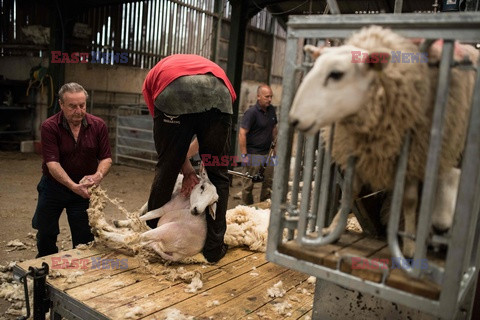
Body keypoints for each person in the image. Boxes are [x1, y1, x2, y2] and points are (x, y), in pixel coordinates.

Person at [142, 54, 236, 263]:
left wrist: (184, 169)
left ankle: (150, 238)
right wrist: (202, 163)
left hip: (173, 89)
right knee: (219, 175)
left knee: (166, 169)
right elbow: (211, 131)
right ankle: (214, 249)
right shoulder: (213, 72)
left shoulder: (153, 80)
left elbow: (170, 151)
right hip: (220, 92)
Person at [32, 82, 112, 258]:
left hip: (83, 190)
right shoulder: (49, 127)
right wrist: (71, 185)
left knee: (84, 236)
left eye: (82, 105)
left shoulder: (98, 125)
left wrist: (97, 175)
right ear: (61, 104)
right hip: (54, 186)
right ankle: (46, 268)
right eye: (72, 106)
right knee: (46, 231)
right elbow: (52, 163)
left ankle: (81, 271)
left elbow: (106, 158)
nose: (79, 111)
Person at [238, 84, 277, 205]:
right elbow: (242, 133)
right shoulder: (251, 113)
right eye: (267, 97)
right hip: (253, 154)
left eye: (271, 96)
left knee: (268, 184)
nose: (270, 99)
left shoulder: (271, 110)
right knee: (248, 186)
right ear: (258, 97)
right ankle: (247, 209)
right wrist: (244, 155)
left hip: (268, 154)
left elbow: (274, 128)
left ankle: (264, 209)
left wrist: (274, 149)